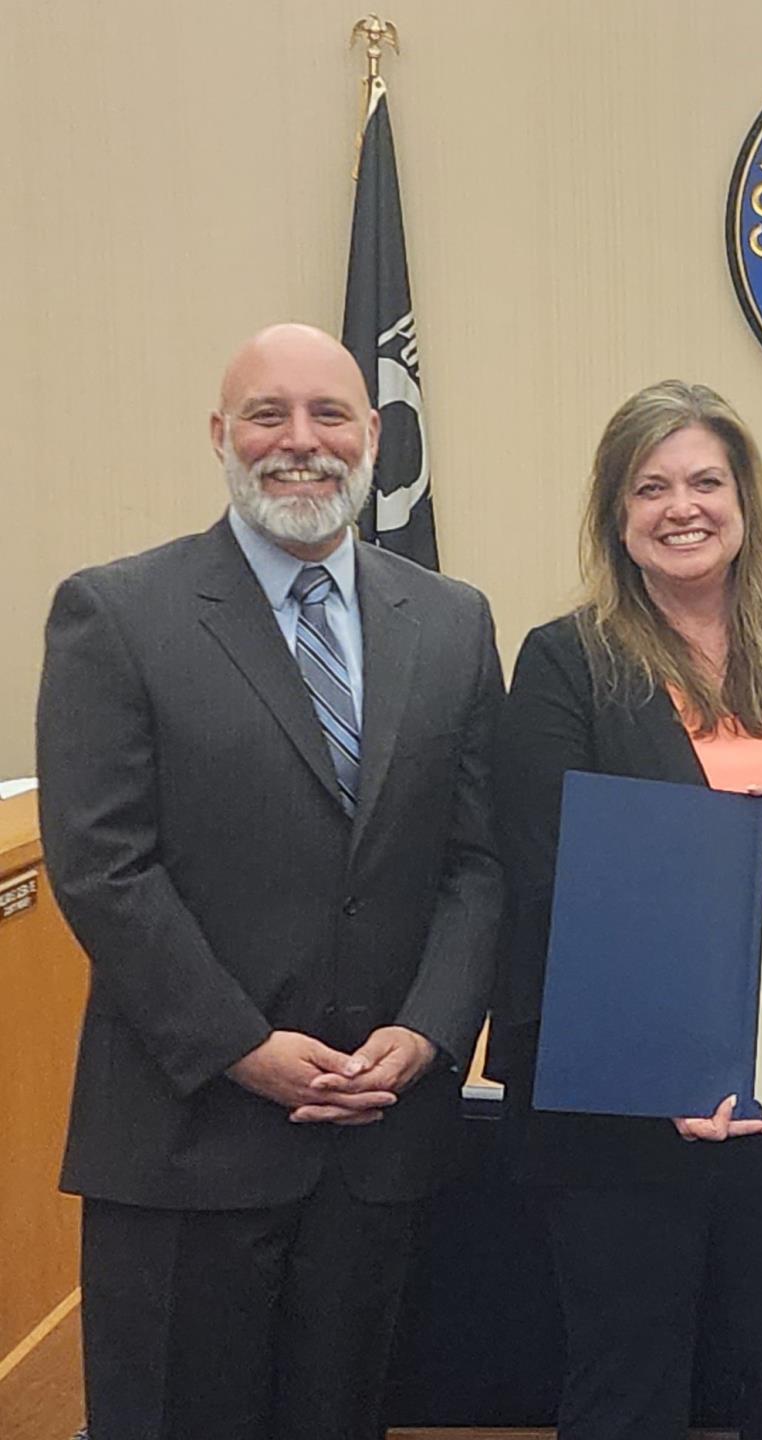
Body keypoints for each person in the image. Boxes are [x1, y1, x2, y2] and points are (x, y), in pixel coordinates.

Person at [35, 323, 505, 1440]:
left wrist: (432, 1031)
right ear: (219, 436)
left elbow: (479, 862)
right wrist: (242, 1047)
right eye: (268, 415)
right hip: (187, 1137)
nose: (301, 443)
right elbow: (105, 867)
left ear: (375, 437)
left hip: (377, 1138)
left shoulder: (450, 622)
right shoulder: (116, 614)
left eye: (330, 415)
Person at [488, 380, 762, 1440]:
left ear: (744, 500)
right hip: (624, 1114)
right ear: (616, 517)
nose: (683, 507)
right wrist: (669, 1073)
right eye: (652, 487)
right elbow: (552, 883)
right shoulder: (565, 662)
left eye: (706, 482)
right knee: (627, 1382)